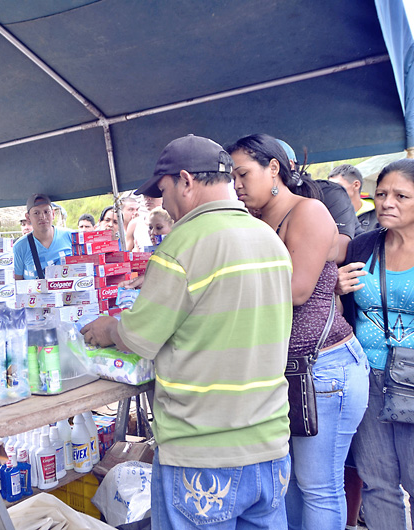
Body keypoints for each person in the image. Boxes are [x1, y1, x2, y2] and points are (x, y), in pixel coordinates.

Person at [82, 134, 293, 529]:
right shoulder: (269, 238)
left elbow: (141, 338)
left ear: (185, 181)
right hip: (270, 447)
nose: (163, 204)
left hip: (203, 452)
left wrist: (111, 328)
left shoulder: (182, 245)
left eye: (163, 192)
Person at [227, 133, 369, 530]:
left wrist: (222, 295)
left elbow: (296, 290)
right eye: (232, 178)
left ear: (273, 168)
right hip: (287, 370)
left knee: (318, 486)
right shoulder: (254, 220)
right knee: (287, 482)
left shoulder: (308, 212)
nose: (237, 186)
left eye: (243, 174)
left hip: (325, 369)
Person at [337, 158, 414, 530]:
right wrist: (336, 288)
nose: (387, 203)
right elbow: (342, 308)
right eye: (381, 194)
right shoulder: (363, 246)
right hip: (367, 374)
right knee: (377, 481)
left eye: (401, 195)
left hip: (413, 381)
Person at [13, 193, 73, 280]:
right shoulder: (19, 247)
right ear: (28, 217)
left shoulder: (70, 236)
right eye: (36, 213)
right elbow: (17, 284)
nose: (42, 217)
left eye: (46, 212)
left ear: (53, 214)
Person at [329, 164, 380, 235]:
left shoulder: (379, 214)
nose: (332, 191)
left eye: (337, 186)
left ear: (356, 185)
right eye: (330, 187)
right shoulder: (327, 214)